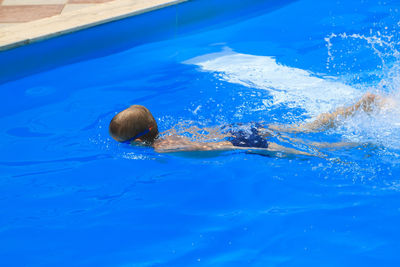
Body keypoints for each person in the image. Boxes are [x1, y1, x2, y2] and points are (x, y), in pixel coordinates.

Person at [109, 93, 385, 156]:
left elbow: (206, 148)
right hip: (240, 127)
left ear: (135, 141)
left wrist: (239, 148)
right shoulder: (170, 131)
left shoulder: (163, 148)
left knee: (310, 152)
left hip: (238, 141)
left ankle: (365, 143)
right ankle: (358, 106)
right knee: (307, 129)